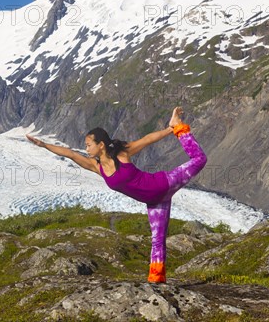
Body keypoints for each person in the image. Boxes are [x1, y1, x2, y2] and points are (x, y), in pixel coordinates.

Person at [26, 106, 207, 283]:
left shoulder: (121, 154)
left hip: (164, 183)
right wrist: (43, 145)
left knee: (200, 159)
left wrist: (171, 129)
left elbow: (147, 139)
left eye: (89, 145)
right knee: (157, 240)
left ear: (101, 145)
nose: (86, 149)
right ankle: (156, 278)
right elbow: (71, 154)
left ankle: (180, 128)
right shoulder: (98, 167)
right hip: (155, 202)